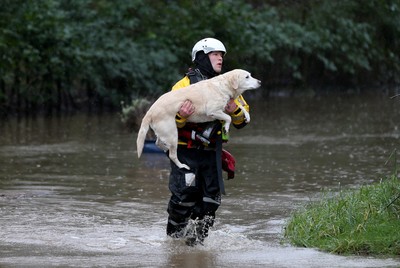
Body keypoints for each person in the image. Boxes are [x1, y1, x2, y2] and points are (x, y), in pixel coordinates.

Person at [166, 37, 250, 246]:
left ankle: (196, 246)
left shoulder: (230, 85)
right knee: (183, 199)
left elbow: (244, 119)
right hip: (186, 152)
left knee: (210, 202)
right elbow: (164, 119)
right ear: (202, 57)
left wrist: (235, 110)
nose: (220, 58)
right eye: (215, 54)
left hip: (211, 152)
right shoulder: (183, 85)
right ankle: (173, 244)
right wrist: (181, 116)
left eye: (221, 55)